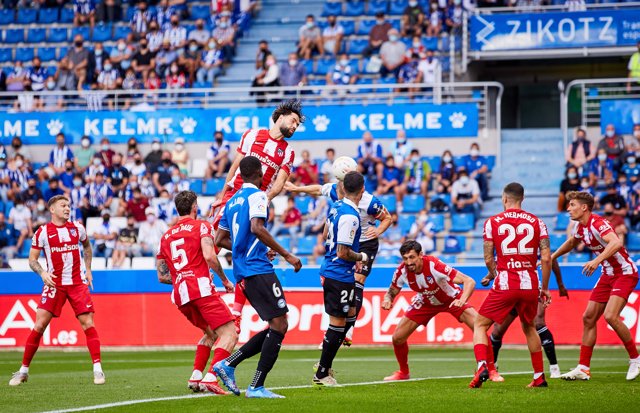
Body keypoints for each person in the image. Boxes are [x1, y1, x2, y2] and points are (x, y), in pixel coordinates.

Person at [211, 100, 304, 333]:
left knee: (248, 255)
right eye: (293, 121)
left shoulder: (288, 152)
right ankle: (204, 289)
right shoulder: (252, 135)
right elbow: (234, 167)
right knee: (213, 243)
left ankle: (236, 313)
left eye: (297, 125)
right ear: (280, 116)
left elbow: (280, 183)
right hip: (233, 196)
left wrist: (263, 199)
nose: (294, 127)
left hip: (255, 202)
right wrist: (221, 196)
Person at [213, 156, 302, 398]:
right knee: (281, 324)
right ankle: (255, 386)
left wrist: (252, 248)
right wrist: (287, 255)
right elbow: (257, 228)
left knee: (276, 324)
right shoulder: (259, 196)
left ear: (240, 174)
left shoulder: (231, 202)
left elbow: (219, 240)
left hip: (243, 270)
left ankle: (228, 364)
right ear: (261, 173)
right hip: (258, 269)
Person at [285, 171, 392, 346]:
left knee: (358, 282)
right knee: (344, 285)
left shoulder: (370, 202)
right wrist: (296, 188)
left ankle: (349, 330)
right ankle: (336, 331)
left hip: (365, 243)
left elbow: (387, 218)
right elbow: (319, 189)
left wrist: (378, 231)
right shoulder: (337, 191)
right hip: (348, 242)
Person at [9, 195, 103, 387]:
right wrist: (42, 273)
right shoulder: (43, 232)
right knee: (40, 324)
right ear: (52, 210)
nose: (67, 208)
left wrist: (89, 269)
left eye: (68, 205)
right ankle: (23, 371)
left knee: (88, 323)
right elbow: (32, 259)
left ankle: (98, 369)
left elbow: (87, 246)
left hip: (77, 283)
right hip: (54, 283)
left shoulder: (77, 228)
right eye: (63, 206)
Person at [550, 191, 640, 381]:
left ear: (584, 208)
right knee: (589, 317)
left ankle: (635, 359)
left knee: (610, 316)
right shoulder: (579, 227)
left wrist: (597, 260)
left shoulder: (598, 223)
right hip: (607, 274)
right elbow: (571, 242)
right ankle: (583, 368)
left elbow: (615, 243)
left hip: (624, 273)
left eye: (572, 205)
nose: (568, 208)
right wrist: (552, 257)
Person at [470, 182, 551, 389]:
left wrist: (494, 273)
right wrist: (545, 288)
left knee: (480, 324)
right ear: (522, 199)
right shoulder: (537, 222)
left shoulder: (492, 222)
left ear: (504, 199)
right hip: (530, 283)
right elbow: (547, 257)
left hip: (506, 281)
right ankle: (539, 376)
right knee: (529, 327)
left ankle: (481, 367)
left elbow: (488, 257)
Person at [157, 190, 237, 394]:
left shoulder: (166, 236)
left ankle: (195, 377)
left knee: (210, 334)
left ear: (177, 209)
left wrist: (182, 277)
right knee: (230, 334)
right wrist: (225, 280)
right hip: (200, 289)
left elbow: (162, 276)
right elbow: (210, 256)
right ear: (195, 207)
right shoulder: (202, 226)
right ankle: (211, 377)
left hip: (180, 295)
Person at [382, 240, 497, 381]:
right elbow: (392, 290)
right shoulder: (402, 271)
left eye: (412, 257)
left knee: (479, 327)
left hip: (451, 299)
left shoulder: (434, 265)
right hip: (426, 302)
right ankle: (403, 373)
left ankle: (491, 370)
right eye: (405, 258)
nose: (408, 262)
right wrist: (388, 299)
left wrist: (463, 299)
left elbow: (469, 281)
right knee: (397, 338)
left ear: (421, 255)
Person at [311, 171, 368, 386]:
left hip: (335, 271)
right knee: (338, 323)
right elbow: (344, 252)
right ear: (362, 190)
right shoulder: (350, 216)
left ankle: (326, 358)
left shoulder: (336, 207)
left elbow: (326, 235)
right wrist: (360, 256)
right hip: (338, 274)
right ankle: (322, 371)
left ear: (343, 188)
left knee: (351, 312)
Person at [484, 258, 568, 379]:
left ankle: (554, 367)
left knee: (538, 323)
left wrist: (560, 284)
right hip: (509, 289)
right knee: (497, 330)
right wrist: (489, 276)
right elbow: (499, 265)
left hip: (530, 286)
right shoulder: (503, 244)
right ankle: (493, 367)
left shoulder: (533, 241)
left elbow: (550, 259)